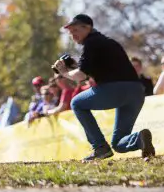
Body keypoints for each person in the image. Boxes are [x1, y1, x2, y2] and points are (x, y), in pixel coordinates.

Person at [53, 14, 155, 162]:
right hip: (136, 92)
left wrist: (64, 72)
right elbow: (97, 71)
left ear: (87, 27)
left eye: (75, 30)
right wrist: (75, 69)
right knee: (119, 143)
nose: (73, 35)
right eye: (70, 32)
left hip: (116, 89)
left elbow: (81, 75)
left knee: (76, 103)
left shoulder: (92, 43)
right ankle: (139, 139)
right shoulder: (108, 42)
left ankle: (100, 147)